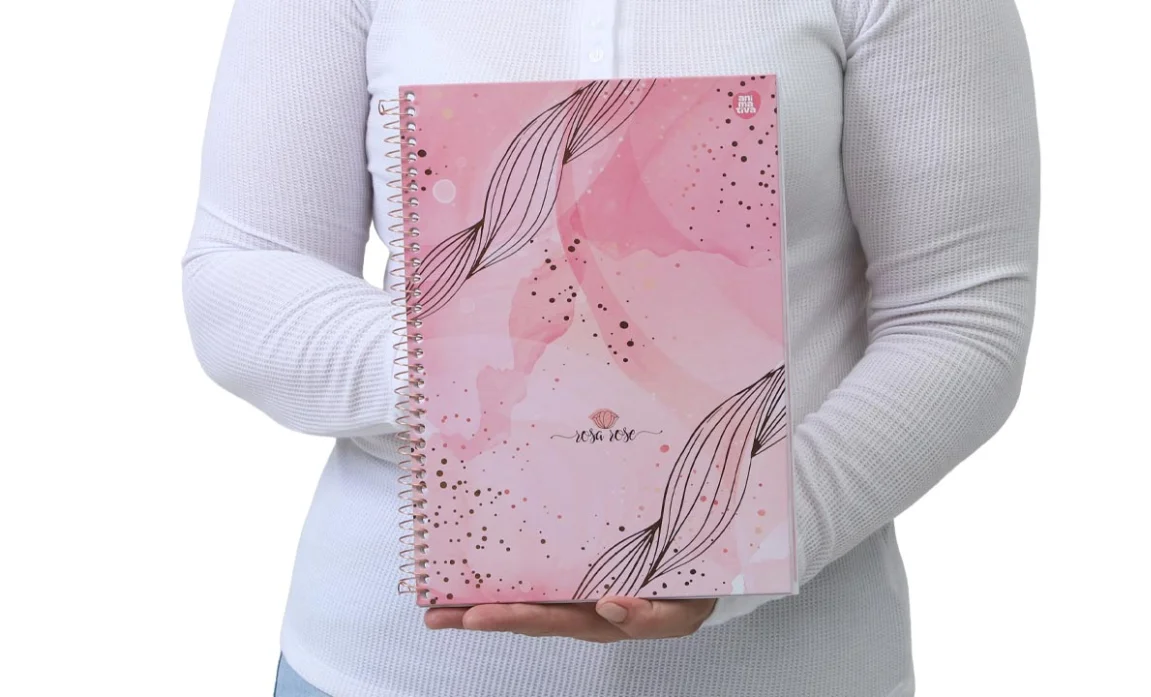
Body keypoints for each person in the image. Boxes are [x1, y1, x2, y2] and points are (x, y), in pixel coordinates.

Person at [181, 0, 1039, 695]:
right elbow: (244, 272)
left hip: (793, 667)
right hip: (388, 666)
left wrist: (751, 535)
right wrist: (489, 368)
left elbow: (960, 315)